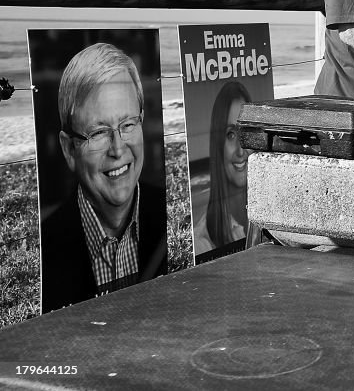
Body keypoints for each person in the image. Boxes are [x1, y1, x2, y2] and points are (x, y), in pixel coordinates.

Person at [41, 43, 167, 312]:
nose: (118, 149)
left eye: (128, 125)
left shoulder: (173, 217)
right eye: (98, 132)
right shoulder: (44, 248)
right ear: (68, 149)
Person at [192, 81, 251, 255]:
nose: (241, 150)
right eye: (231, 134)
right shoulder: (203, 242)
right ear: (218, 144)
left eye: (246, 131)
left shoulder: (271, 218)